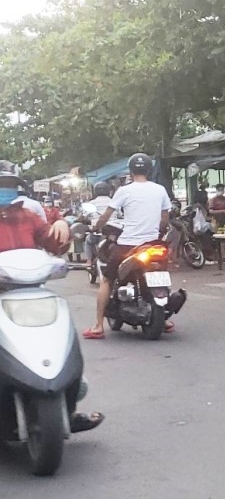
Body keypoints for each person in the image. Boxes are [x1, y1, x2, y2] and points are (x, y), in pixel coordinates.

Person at [0, 161, 104, 433]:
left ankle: (67, 410)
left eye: (9, 187)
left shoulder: (28, 216)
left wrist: (62, 227)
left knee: (62, 342)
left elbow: (53, 244)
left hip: (32, 293)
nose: (5, 192)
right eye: (1, 186)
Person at [83, 153, 173, 339]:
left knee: (107, 279)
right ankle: (163, 319)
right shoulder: (160, 190)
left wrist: (96, 227)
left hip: (128, 245)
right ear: (149, 170)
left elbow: (106, 216)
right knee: (159, 274)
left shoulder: (124, 191)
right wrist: (157, 233)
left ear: (131, 171)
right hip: (153, 244)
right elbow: (165, 219)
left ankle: (98, 325)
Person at [83, 181, 114, 265]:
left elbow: (84, 216)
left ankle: (89, 260)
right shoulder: (113, 202)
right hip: (112, 231)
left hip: (96, 231)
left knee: (88, 241)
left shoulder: (92, 203)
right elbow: (120, 215)